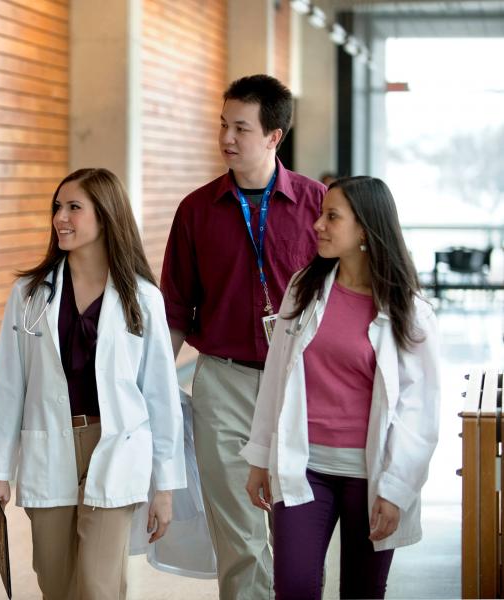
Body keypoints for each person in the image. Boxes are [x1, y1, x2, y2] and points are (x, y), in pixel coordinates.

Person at [0, 168, 186, 600]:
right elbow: (8, 386)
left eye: (74, 207)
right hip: (49, 442)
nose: (60, 218)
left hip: (116, 444)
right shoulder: (30, 294)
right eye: (58, 207)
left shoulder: (142, 297)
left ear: (106, 216)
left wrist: (164, 486)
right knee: (56, 583)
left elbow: (160, 396)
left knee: (97, 585)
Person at [159, 74, 326, 598]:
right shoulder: (195, 210)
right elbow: (175, 307)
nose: (226, 138)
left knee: (297, 534)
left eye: (241, 128)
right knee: (239, 538)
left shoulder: (317, 204)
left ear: (274, 136)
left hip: (300, 383)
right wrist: (154, 385)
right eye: (222, 125)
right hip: (224, 384)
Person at [242, 176, 441, 599]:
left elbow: (419, 413)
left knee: (362, 591)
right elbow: (276, 377)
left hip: (371, 476)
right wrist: (260, 457)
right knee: (294, 588)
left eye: (332, 217)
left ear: (365, 230)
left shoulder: (410, 312)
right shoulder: (304, 288)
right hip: (304, 465)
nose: (317, 225)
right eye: (321, 214)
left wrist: (396, 490)